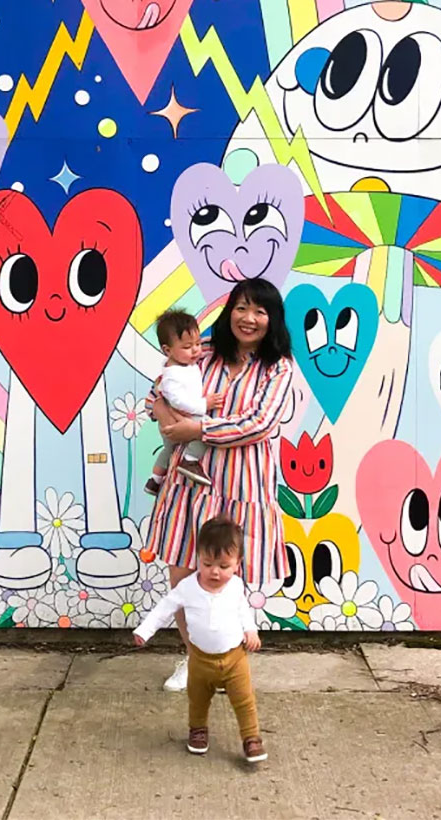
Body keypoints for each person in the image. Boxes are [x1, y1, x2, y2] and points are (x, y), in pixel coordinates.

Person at [145, 277, 293, 692]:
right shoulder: (203, 352)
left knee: (226, 580)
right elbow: (158, 390)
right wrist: (166, 418)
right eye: (241, 308)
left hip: (240, 488)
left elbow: (259, 424)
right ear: (229, 312)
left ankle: (226, 662)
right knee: (183, 576)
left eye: (259, 311)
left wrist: (197, 428)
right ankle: (196, 660)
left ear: (272, 319)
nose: (249, 318)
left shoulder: (278, 368)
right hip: (190, 486)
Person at [134, 515, 266, 763]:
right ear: (198, 558)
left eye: (224, 566)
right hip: (200, 661)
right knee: (198, 700)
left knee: (244, 700)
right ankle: (197, 731)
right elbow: (165, 608)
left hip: (235, 659)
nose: (215, 571)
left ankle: (251, 738)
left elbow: (243, 610)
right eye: (207, 563)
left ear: (237, 564)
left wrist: (251, 630)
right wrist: (145, 630)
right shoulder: (188, 587)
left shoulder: (236, 586)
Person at [144, 310, 225, 494]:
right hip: (182, 417)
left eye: (198, 343)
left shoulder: (185, 364)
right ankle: (190, 460)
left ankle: (154, 480)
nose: (196, 350)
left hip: (176, 420)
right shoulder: (173, 374)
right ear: (168, 350)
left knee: (168, 450)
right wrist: (204, 405)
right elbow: (177, 401)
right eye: (188, 347)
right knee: (207, 431)